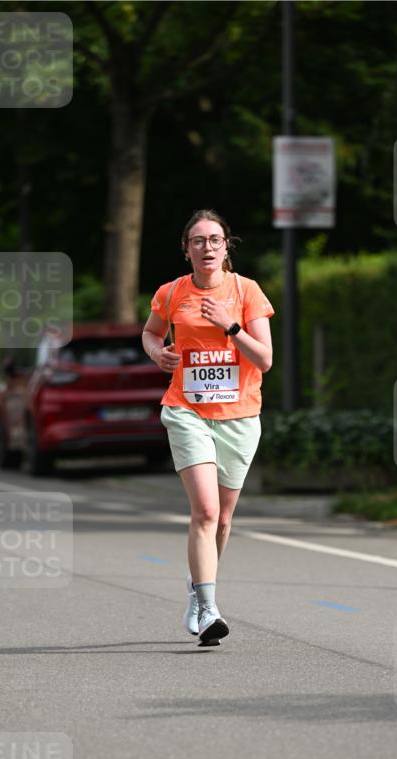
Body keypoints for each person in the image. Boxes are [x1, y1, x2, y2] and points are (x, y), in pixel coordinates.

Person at [141, 209, 274, 646]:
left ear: (226, 246)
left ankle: (197, 592)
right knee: (206, 511)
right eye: (198, 241)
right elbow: (151, 333)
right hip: (187, 411)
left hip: (240, 417)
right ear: (186, 250)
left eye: (215, 240)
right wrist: (157, 353)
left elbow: (264, 359)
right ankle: (210, 607)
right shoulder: (171, 293)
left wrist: (229, 325)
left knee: (224, 519)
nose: (207, 247)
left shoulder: (246, 291)